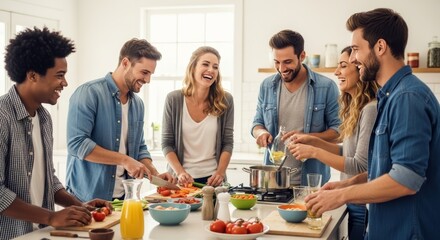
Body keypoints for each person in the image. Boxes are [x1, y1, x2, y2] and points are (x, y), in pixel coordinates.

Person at [305, 8, 440, 239]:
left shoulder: (407, 98)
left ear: (380, 47)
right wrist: (346, 186)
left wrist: (342, 196)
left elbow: (405, 180)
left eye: (357, 49)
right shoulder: (390, 97)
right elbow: (386, 169)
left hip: (406, 232)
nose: (354, 59)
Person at [0, 27, 111, 240]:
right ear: (32, 75)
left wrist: (79, 206)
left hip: (39, 234)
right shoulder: (2, 117)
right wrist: (51, 216)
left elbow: (47, 178)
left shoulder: (44, 118)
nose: (65, 83)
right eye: (59, 75)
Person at [66, 38, 174, 202]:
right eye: (144, 72)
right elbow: (77, 144)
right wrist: (124, 160)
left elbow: (139, 148)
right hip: (86, 200)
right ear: (125, 63)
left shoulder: (137, 104)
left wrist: (154, 173)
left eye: (150, 74)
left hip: (123, 199)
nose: (148, 80)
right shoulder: (88, 93)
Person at [288, 46, 378, 240]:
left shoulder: (370, 109)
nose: (337, 72)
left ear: (360, 68)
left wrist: (313, 152)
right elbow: (347, 152)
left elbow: (360, 165)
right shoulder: (357, 108)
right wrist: (314, 140)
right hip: (351, 197)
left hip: (361, 201)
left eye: (343, 66)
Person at [251, 29, 341, 186]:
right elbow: (257, 123)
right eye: (276, 62)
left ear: (302, 56)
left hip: (310, 181)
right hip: (273, 181)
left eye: (287, 62)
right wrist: (261, 133)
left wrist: (309, 138)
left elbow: (338, 132)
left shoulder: (326, 87)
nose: (281, 69)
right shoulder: (266, 86)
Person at [162, 46, 234, 187]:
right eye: (205, 64)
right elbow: (166, 143)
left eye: (215, 67)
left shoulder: (225, 100)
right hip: (181, 181)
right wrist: (180, 172)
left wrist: (220, 173)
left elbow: (227, 142)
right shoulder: (174, 99)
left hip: (212, 181)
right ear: (193, 67)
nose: (211, 70)